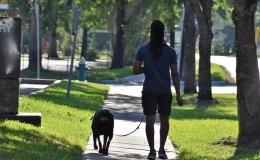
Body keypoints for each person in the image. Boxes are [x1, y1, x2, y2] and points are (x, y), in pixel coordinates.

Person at [133, 20, 183, 160]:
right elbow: (174, 74)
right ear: (163, 33)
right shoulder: (170, 52)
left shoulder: (142, 50)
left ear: (151, 32)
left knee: (150, 120)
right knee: (164, 119)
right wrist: (178, 95)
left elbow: (136, 70)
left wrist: (147, 69)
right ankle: (162, 150)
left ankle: (151, 151)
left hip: (149, 90)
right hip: (164, 91)